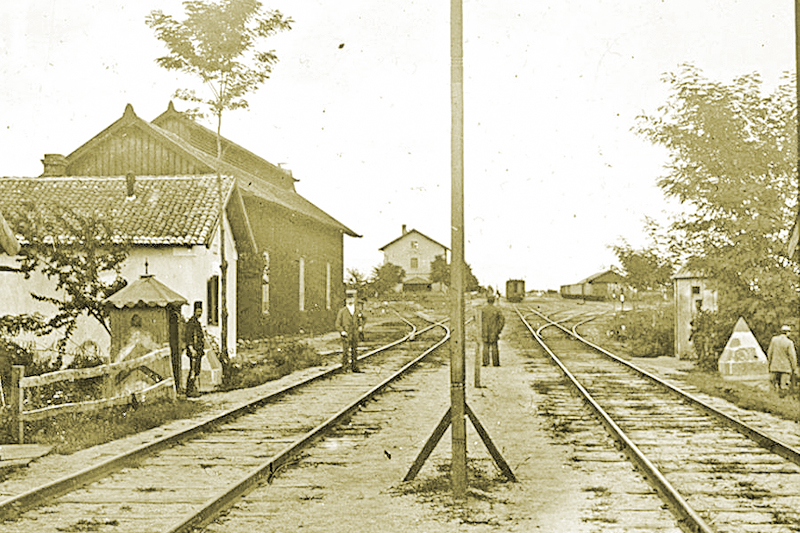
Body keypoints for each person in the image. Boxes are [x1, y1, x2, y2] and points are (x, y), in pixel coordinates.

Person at [335, 290, 365, 372]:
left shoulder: (357, 310)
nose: (350, 301)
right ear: (346, 301)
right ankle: (344, 367)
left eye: (351, 299)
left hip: (355, 333)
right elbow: (337, 324)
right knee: (345, 351)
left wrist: (361, 327)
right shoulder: (342, 311)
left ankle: (354, 367)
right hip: (346, 334)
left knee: (354, 351)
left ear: (354, 300)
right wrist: (342, 331)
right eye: (348, 299)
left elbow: (363, 319)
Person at [767, 324, 797, 398]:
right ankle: (782, 401)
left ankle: (773, 400)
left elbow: (769, 353)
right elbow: (792, 356)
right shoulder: (789, 342)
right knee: (784, 386)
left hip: (774, 367)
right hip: (785, 368)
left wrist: (769, 364)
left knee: (772, 385)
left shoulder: (774, 340)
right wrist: (794, 368)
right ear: (787, 332)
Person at [184, 301, 205, 397]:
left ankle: (194, 388)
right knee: (193, 369)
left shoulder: (197, 323)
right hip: (194, 351)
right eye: (198, 311)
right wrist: (191, 348)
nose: (200, 313)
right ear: (194, 311)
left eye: (201, 311)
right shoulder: (191, 323)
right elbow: (188, 337)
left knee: (196, 370)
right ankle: (189, 390)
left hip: (199, 351)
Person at [481, 294, 505, 367]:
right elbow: (502, 321)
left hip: (484, 331)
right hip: (494, 331)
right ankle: (496, 363)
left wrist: (481, 329)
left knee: (485, 347)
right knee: (494, 347)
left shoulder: (483, 310)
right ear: (494, 301)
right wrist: (498, 330)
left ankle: (485, 362)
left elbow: (477, 319)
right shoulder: (497, 310)